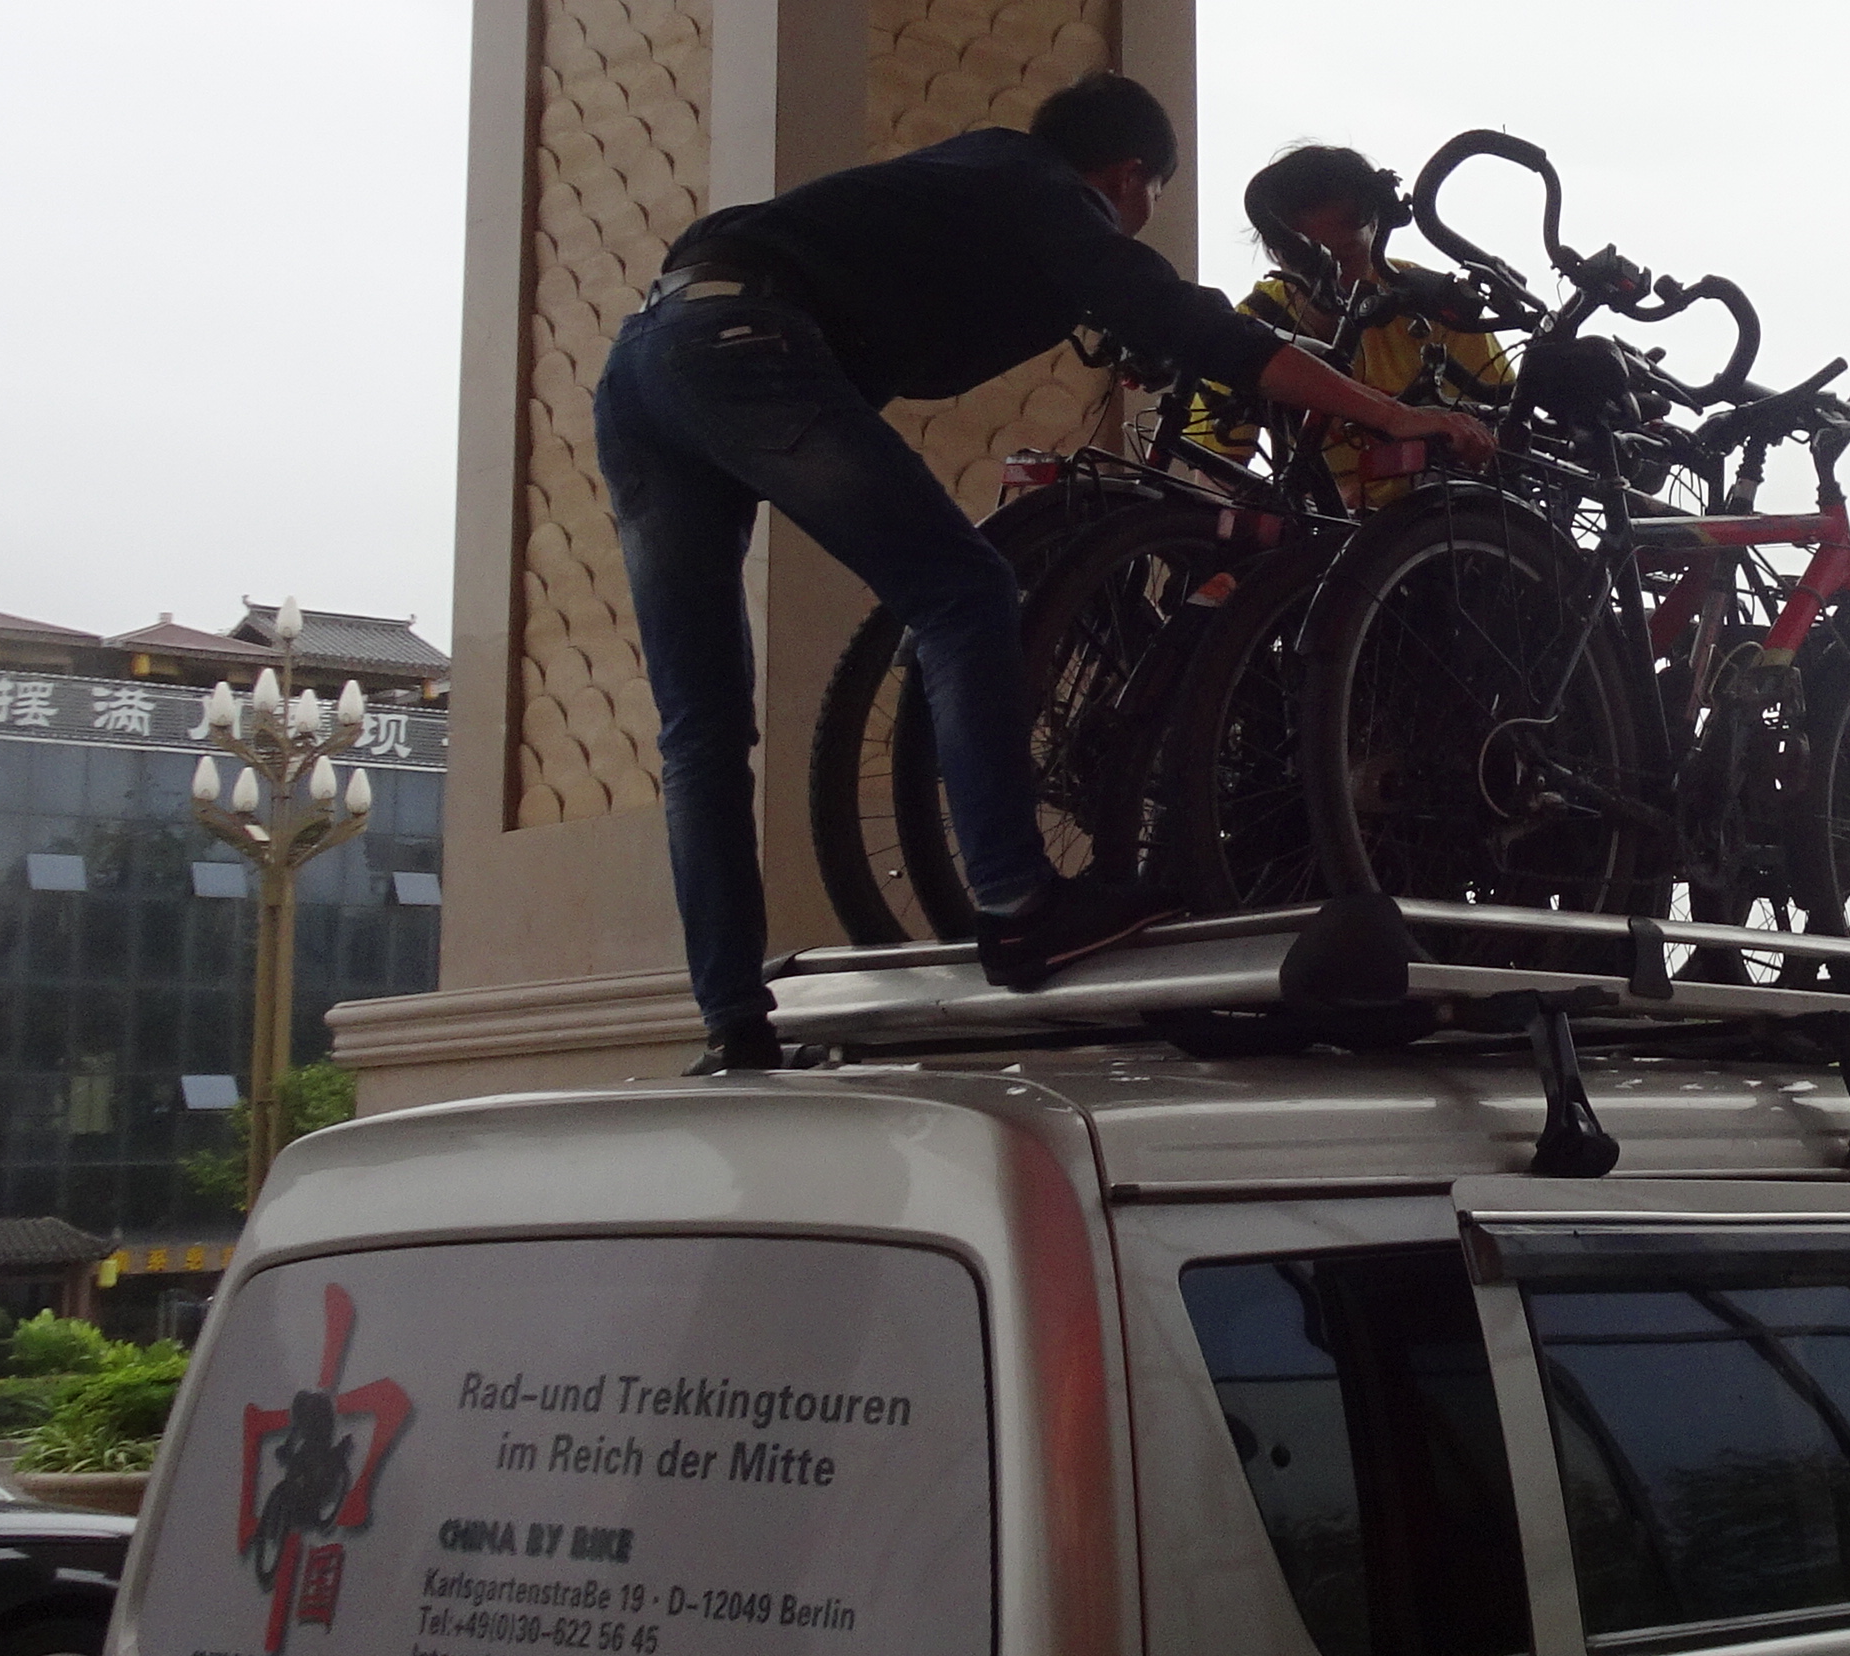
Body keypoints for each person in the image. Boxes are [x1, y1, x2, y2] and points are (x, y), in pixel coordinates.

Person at [597, 71, 1497, 1061]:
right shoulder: (1046, 192)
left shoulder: (974, 178)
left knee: (702, 726)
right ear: (1129, 176)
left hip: (644, 365)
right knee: (966, 587)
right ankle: (1020, 903)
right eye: (1148, 199)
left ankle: (732, 1019)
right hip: (742, 346)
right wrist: (1393, 414)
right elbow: (1204, 328)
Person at [1176, 142, 1516, 511]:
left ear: (1376, 229)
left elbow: (1512, 423)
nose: (1332, 279)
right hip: (1325, 531)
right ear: (1277, 251)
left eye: (1346, 257)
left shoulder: (1432, 307)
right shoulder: (1253, 325)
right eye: (1310, 261)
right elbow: (1217, 474)